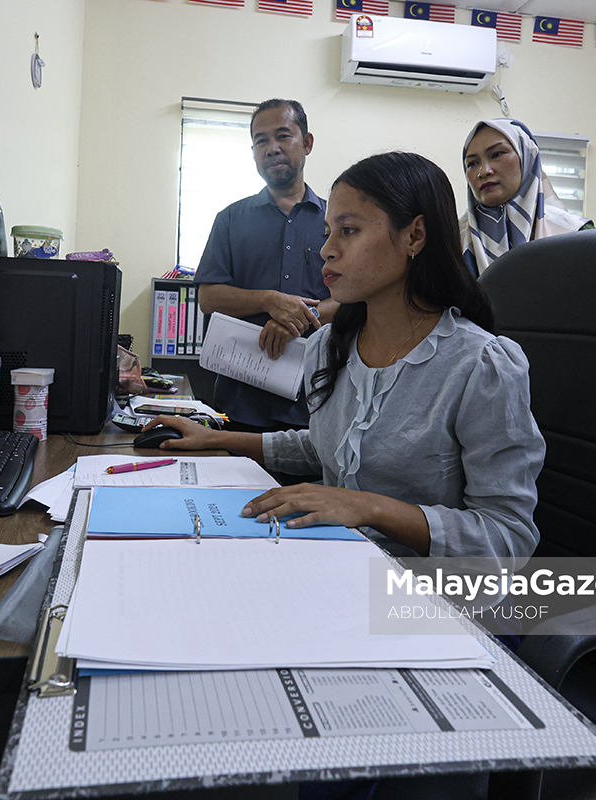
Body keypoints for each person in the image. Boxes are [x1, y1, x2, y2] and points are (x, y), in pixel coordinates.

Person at [148, 151, 545, 568]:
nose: (326, 250)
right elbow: (327, 445)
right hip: (338, 568)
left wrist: (367, 508)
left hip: (427, 599)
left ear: (414, 236)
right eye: (328, 231)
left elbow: (507, 536)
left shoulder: (481, 366)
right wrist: (215, 437)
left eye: (348, 230)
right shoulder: (329, 346)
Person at [194, 98, 338, 432]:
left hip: (317, 401)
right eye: (261, 140)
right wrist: (267, 300)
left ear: (307, 142)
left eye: (283, 136)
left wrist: (302, 319)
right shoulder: (230, 219)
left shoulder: (337, 222)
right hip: (242, 402)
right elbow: (208, 298)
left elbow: (358, 298)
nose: (271, 148)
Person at [460, 117, 593, 278]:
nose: (484, 171)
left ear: (527, 158)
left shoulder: (575, 234)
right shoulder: (452, 239)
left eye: (496, 154)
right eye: (472, 164)